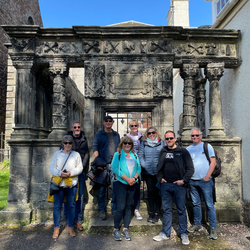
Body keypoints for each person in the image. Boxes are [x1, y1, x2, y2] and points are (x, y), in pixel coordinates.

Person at [153, 130, 194, 245]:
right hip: (165, 185)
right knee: (166, 210)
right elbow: (159, 167)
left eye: (171, 138)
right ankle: (165, 233)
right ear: (165, 140)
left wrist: (183, 181)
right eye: (167, 139)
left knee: (181, 209)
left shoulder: (182, 151)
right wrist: (160, 178)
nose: (169, 140)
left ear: (175, 139)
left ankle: (183, 233)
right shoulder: (163, 151)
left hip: (179, 185)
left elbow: (190, 168)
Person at [186, 128, 218, 240]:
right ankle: (197, 224)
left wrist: (207, 176)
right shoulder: (188, 149)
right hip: (192, 180)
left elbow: (213, 162)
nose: (195, 137)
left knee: (209, 204)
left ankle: (213, 228)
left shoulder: (207, 146)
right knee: (195, 203)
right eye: (193, 136)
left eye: (197, 135)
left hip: (205, 180)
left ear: (201, 136)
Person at [49, 135, 83, 239]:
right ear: (62, 144)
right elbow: (51, 168)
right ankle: (56, 228)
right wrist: (60, 173)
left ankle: (71, 227)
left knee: (71, 206)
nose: (67, 145)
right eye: (65, 143)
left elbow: (80, 168)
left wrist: (70, 173)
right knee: (57, 206)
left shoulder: (76, 154)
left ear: (72, 144)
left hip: (71, 183)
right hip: (59, 184)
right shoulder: (57, 154)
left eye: (70, 143)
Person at [111, 136, 141, 241]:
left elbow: (139, 168)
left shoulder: (135, 155)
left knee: (129, 206)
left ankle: (125, 228)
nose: (127, 145)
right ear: (122, 144)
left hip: (132, 183)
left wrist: (133, 178)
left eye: (129, 143)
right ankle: (115, 229)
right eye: (125, 143)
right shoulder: (118, 154)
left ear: (132, 145)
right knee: (121, 207)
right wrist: (127, 179)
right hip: (121, 183)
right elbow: (115, 168)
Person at [93, 115, 120, 220]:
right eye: (106, 121)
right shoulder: (99, 134)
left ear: (112, 122)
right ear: (103, 122)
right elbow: (95, 148)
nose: (108, 122)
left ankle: (114, 209)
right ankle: (101, 210)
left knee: (115, 188)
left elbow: (119, 149)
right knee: (101, 189)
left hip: (114, 165)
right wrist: (98, 162)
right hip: (103, 165)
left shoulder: (116, 134)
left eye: (110, 121)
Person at [64, 122, 89, 231]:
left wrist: (82, 166)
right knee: (68, 196)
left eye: (79, 127)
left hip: (80, 172)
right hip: (68, 172)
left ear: (81, 128)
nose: (77, 128)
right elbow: (62, 153)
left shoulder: (84, 139)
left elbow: (87, 154)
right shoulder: (67, 139)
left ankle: (78, 220)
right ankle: (68, 220)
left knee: (80, 196)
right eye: (75, 127)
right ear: (72, 128)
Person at [138, 126, 165, 223]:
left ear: (156, 133)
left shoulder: (162, 143)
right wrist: (144, 165)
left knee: (158, 192)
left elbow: (165, 156)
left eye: (153, 132)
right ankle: (151, 212)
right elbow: (140, 155)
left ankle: (157, 212)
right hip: (148, 172)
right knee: (150, 192)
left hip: (159, 173)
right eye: (149, 133)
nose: (151, 134)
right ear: (147, 134)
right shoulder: (143, 144)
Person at [126, 119, 143, 220]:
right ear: (129, 127)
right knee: (127, 186)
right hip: (128, 164)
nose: (134, 127)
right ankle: (127, 209)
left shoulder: (142, 136)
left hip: (139, 164)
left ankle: (136, 209)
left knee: (137, 187)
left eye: (135, 125)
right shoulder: (126, 137)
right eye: (132, 126)